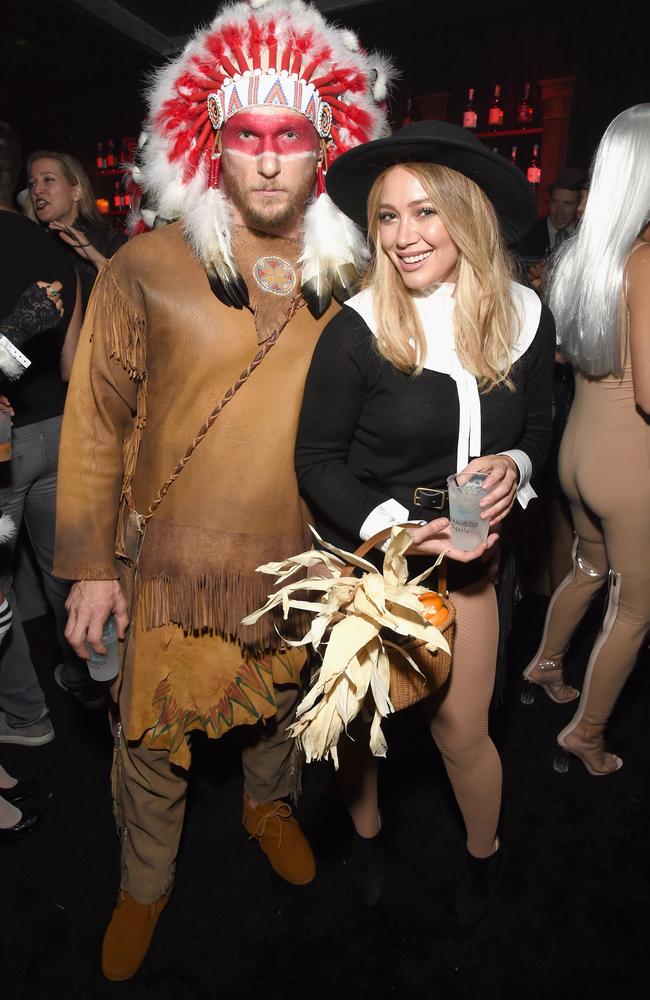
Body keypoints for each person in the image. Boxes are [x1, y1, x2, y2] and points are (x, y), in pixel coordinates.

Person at [52, 0, 394, 981]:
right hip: (167, 562)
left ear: (323, 142)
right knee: (154, 738)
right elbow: (95, 419)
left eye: (291, 136)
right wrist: (85, 568)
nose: (271, 158)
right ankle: (145, 879)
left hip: (294, 551)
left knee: (280, 710)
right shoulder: (147, 265)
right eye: (248, 136)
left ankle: (266, 806)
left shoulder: (350, 271)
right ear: (212, 143)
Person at [294, 120, 555, 924]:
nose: (404, 237)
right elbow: (316, 462)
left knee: (462, 731)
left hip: (473, 549)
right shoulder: (358, 327)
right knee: (362, 728)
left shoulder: (524, 314)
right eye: (387, 217)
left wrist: (516, 469)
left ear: (468, 216)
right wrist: (394, 526)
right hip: (374, 558)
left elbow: (539, 428)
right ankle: (367, 840)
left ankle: (485, 860)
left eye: (425, 213)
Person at [522, 104, 650, 773]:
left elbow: (567, 355)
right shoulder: (648, 259)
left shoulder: (586, 255)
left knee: (588, 568)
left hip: (578, 445)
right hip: (631, 459)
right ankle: (588, 734)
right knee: (635, 610)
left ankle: (545, 664)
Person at [0, 121, 93, 749]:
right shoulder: (52, 246)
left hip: (6, 444)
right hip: (58, 427)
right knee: (69, 571)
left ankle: (28, 719)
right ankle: (94, 680)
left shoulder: (69, 242)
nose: (38, 191)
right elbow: (73, 360)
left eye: (48, 180)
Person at [27, 151, 126, 310]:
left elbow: (131, 308)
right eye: (32, 183)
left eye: (48, 180)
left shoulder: (110, 240)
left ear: (76, 192)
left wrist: (96, 258)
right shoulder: (32, 245)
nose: (37, 190)